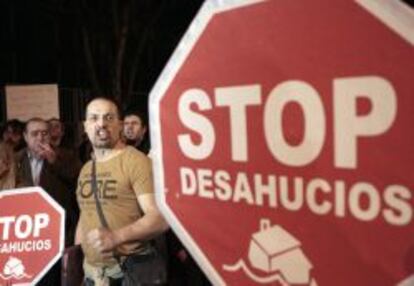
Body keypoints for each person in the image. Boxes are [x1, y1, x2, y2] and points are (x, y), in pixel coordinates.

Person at [75, 97, 168, 286]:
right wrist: (79, 256)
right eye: (94, 118)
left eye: (108, 118)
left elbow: (160, 218)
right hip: (92, 275)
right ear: (85, 126)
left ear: (119, 125)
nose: (101, 124)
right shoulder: (86, 168)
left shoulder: (136, 161)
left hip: (128, 274)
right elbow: (85, 216)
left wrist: (116, 237)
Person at [16, 117, 81, 286]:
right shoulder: (16, 160)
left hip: (58, 231)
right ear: (25, 136)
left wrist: (54, 162)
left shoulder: (66, 156)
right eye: (34, 134)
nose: (40, 138)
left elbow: (79, 182)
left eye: (44, 133)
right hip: (26, 233)